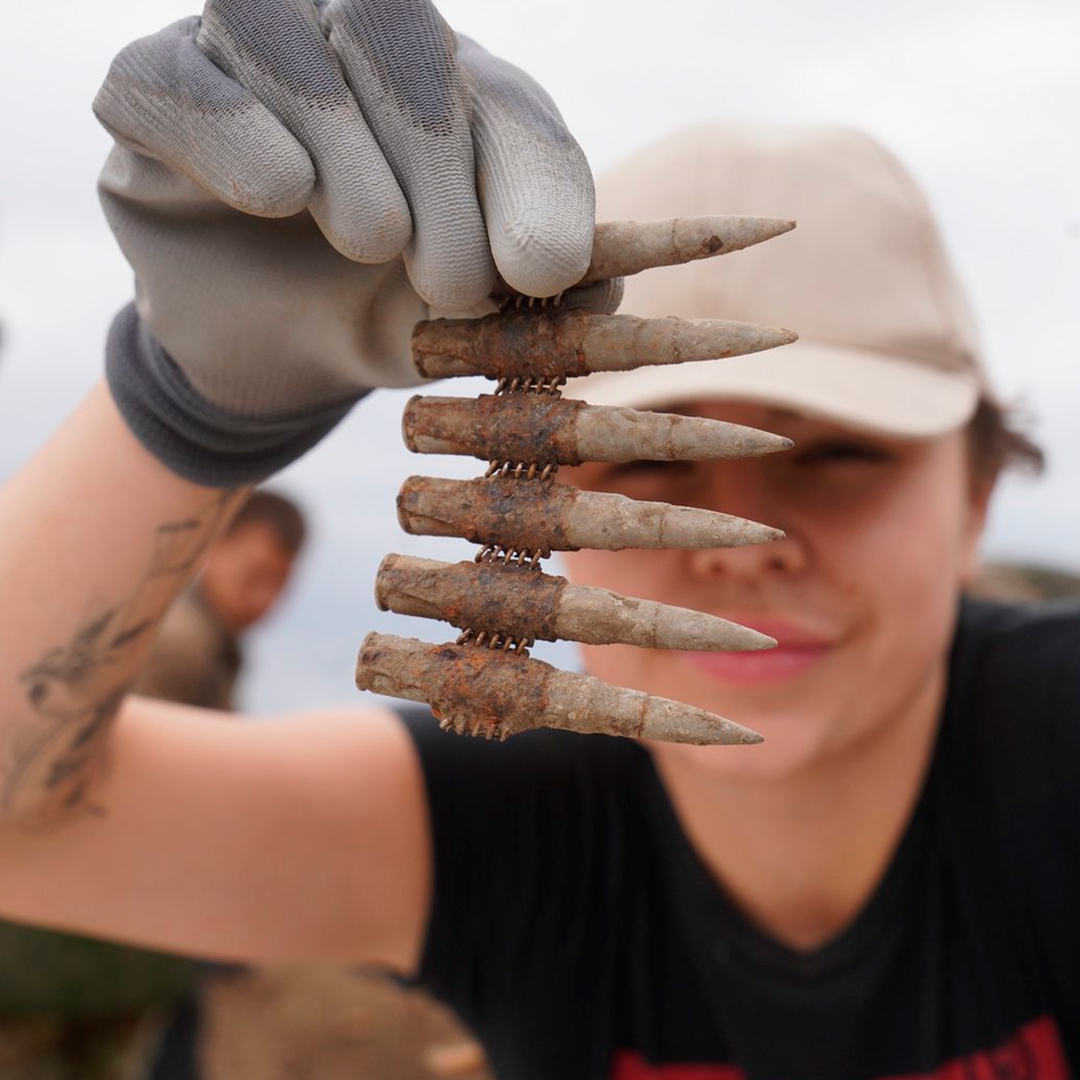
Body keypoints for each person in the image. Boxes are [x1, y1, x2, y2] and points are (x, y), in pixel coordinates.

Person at [0, 6, 1075, 1080]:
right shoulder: (506, 827)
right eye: (646, 458)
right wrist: (185, 410)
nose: (747, 548)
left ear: (978, 490)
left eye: (841, 455)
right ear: (550, 496)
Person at [135, 488, 306, 711]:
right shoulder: (182, 644)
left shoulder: (211, 638)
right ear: (214, 544)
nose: (264, 598)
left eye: (278, 582)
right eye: (254, 576)